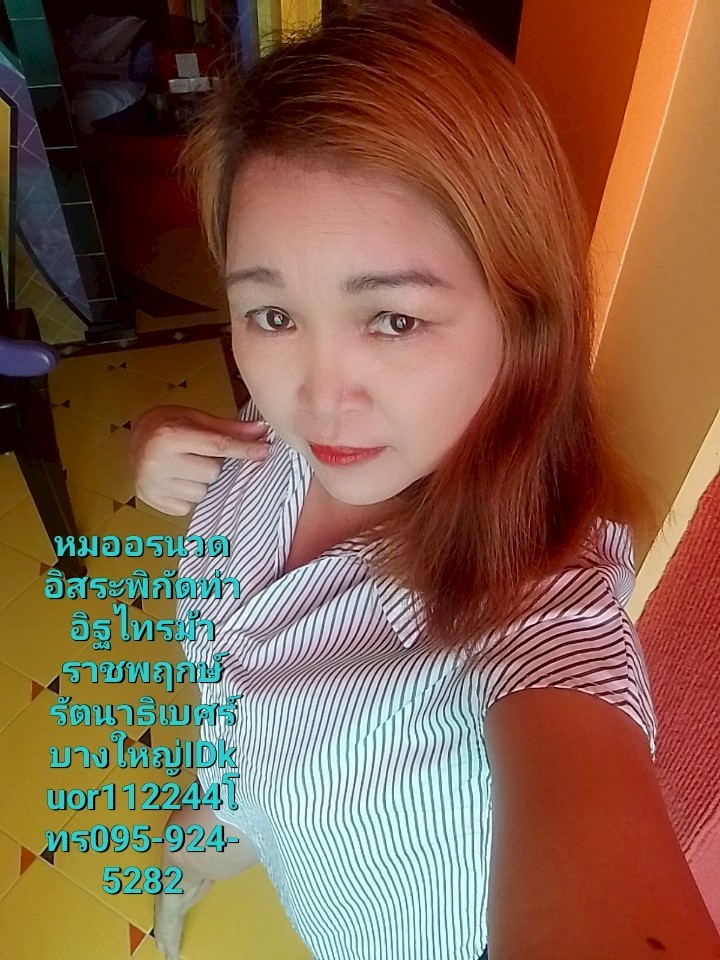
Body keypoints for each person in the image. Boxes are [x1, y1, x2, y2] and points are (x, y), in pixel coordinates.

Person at [129, 4, 720, 959]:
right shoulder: (272, 448)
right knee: (199, 842)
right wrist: (153, 434)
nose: (320, 399)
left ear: (524, 319)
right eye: (273, 315)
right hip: (241, 797)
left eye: (394, 321)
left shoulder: (533, 605)